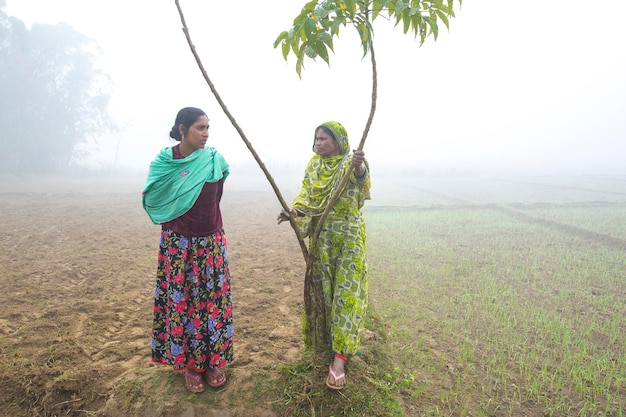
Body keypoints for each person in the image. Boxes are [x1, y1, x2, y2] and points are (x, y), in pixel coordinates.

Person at [142, 107, 233, 393]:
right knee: (185, 303)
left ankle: (212, 362)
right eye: (199, 127)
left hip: (211, 243)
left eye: (208, 127)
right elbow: (155, 196)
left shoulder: (214, 160)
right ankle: (190, 366)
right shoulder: (164, 162)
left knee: (212, 303)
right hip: (178, 244)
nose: (206, 133)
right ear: (182, 129)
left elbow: (215, 198)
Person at [277, 121, 370, 390]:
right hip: (322, 241)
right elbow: (306, 199)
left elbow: (362, 185)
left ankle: (340, 359)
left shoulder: (350, 163)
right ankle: (323, 347)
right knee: (323, 294)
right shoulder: (314, 165)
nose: (318, 143)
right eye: (316, 139)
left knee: (346, 295)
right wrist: (293, 215)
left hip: (349, 240)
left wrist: (360, 167)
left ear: (338, 141)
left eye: (324, 139)